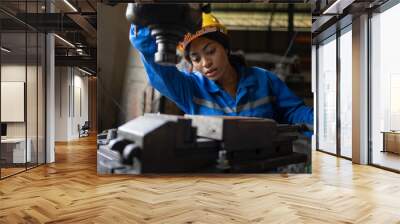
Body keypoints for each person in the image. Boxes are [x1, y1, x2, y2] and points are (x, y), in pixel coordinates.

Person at [129, 13, 313, 135]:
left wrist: (325, 124)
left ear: (225, 49)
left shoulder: (264, 80)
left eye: (211, 51)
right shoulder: (189, 89)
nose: (205, 63)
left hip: (265, 171)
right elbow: (156, 63)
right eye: (196, 58)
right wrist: (145, 17)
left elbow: (294, 112)